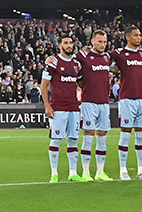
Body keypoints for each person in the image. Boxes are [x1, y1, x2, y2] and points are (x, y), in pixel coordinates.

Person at [109, 25, 142, 181]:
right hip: (127, 98)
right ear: (128, 37)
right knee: (125, 134)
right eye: (136, 35)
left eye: (140, 35)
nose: (139, 37)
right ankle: (123, 170)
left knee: (141, 136)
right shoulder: (119, 53)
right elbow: (105, 60)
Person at [41, 34, 86, 183]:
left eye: (71, 43)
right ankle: (54, 173)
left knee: (73, 140)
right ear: (60, 46)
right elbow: (44, 85)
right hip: (58, 107)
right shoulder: (53, 62)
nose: (69, 45)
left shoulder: (76, 64)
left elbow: (81, 84)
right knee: (56, 140)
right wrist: (47, 105)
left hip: (73, 107)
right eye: (65, 43)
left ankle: (73, 173)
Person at [76, 30, 114, 181]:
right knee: (88, 135)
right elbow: (78, 78)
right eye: (99, 42)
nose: (102, 45)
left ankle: (100, 171)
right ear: (92, 41)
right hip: (89, 102)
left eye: (104, 42)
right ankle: (86, 172)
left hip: (104, 102)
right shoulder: (83, 56)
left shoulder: (106, 58)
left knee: (102, 136)